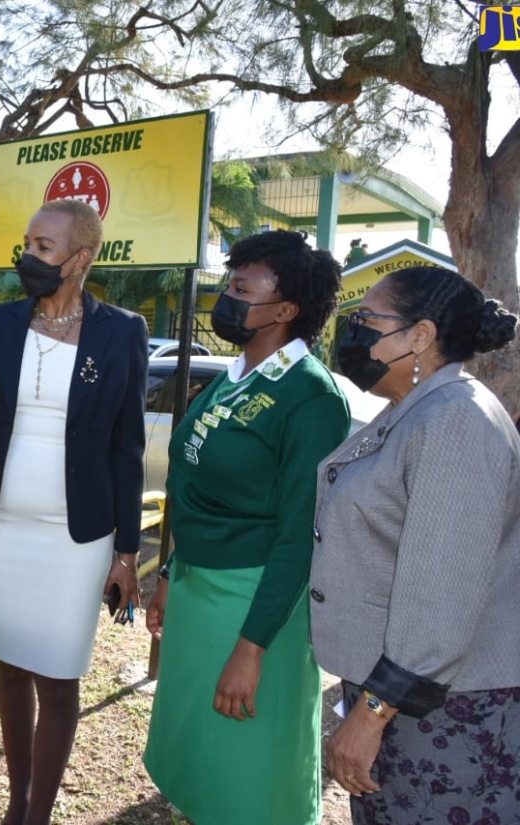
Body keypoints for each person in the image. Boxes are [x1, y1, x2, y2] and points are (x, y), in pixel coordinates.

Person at [0, 199, 148, 825]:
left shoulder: (122, 331)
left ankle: (39, 812)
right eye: (27, 243)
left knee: (59, 676)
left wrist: (127, 552)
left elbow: (128, 443)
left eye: (43, 248)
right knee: (10, 662)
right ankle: (16, 798)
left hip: (76, 536)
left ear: (80, 259)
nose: (26, 257)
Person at [143, 229, 348, 825]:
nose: (224, 297)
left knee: (253, 775)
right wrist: (168, 576)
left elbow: (299, 535)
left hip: (256, 607)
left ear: (286, 310)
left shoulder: (310, 396)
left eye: (240, 288)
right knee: (204, 760)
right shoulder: (234, 378)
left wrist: (251, 649)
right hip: (199, 594)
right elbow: (190, 485)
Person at [313, 266, 520, 824]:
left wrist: (372, 713)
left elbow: (441, 592)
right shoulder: (419, 408)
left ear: (419, 336)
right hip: (409, 697)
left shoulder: (455, 418)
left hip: (443, 709)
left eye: (365, 320)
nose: (351, 332)